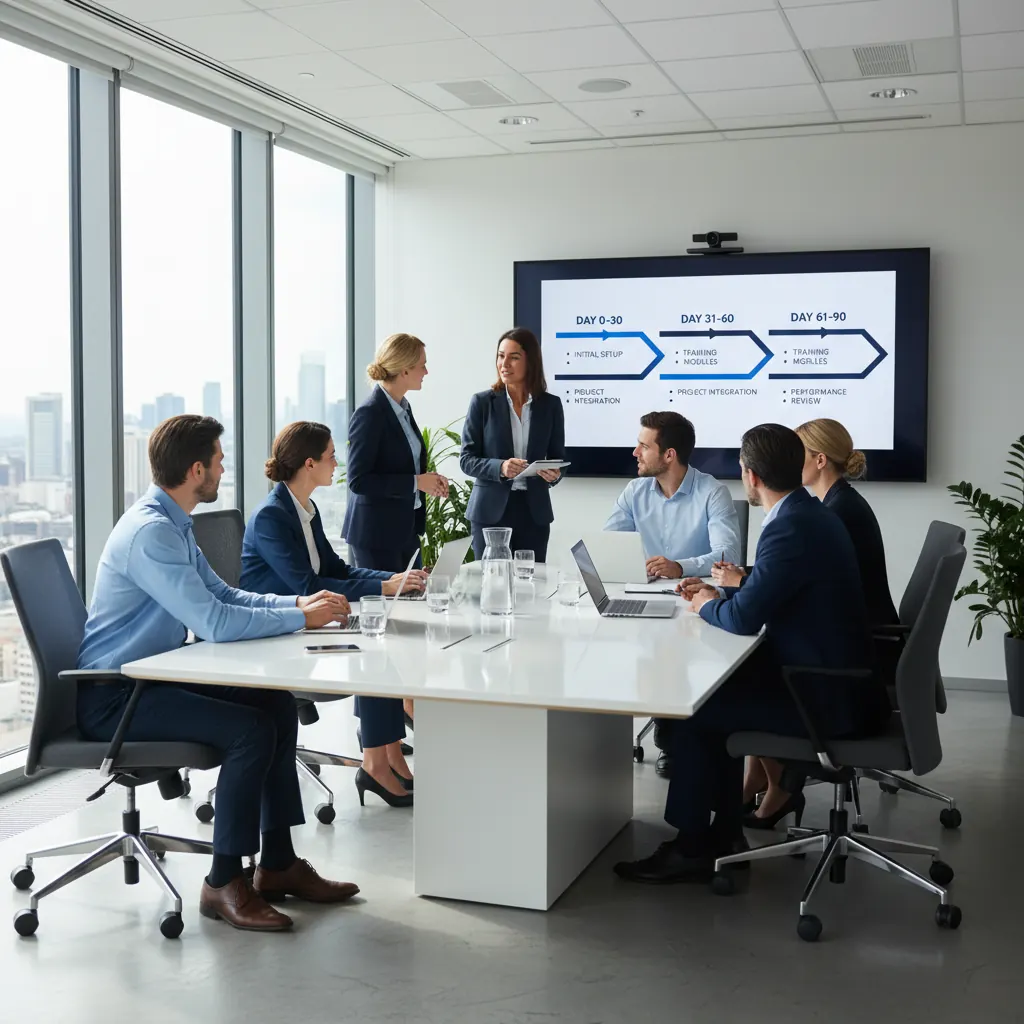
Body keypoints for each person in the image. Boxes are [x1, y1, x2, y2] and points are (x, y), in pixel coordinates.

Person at [77, 415, 358, 932]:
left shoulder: (172, 524)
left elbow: (224, 595)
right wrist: (301, 619)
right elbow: (214, 623)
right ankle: (223, 882)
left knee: (273, 703)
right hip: (116, 697)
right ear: (196, 469)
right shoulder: (151, 534)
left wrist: (297, 604)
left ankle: (277, 863)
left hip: (153, 677)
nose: (224, 469)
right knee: (249, 730)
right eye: (219, 461)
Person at [614, 424, 890, 885]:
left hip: (826, 698)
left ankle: (692, 846)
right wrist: (718, 593)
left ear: (751, 476)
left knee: (696, 711)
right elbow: (768, 590)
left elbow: (744, 618)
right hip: (833, 680)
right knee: (713, 699)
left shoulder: (790, 525)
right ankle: (723, 835)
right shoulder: (805, 512)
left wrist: (706, 605)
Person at [241, 421, 429, 807]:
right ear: (309, 463)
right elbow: (308, 585)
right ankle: (375, 765)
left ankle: (389, 755)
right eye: (330, 456)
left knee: (382, 638)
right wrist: (384, 587)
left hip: (310, 623)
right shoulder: (271, 517)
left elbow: (338, 571)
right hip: (278, 635)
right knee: (373, 651)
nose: (337, 463)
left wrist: (391, 579)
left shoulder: (305, 510)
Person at [735, 418, 901, 825]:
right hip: (851, 644)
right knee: (755, 668)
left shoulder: (836, 511)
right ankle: (762, 780)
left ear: (820, 460)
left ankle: (777, 786)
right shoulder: (831, 506)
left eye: (800, 454)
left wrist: (745, 584)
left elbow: (802, 577)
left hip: (849, 660)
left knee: (743, 681)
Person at [605, 411, 741, 777]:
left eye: (643, 446)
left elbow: (727, 555)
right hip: (645, 599)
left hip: (693, 603)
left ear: (669, 455)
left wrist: (680, 566)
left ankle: (671, 740)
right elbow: (609, 542)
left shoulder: (712, 492)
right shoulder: (635, 491)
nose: (635, 452)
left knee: (670, 648)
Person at [341, 333, 448, 745]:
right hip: (375, 537)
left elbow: (404, 467)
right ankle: (373, 734)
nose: (426, 371)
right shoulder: (370, 413)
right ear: (403, 369)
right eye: (421, 364)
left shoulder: (402, 408)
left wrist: (425, 482)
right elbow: (359, 480)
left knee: (400, 632)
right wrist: (414, 482)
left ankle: (391, 722)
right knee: (380, 636)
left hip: (403, 530)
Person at [460, 327, 565, 562]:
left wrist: (554, 474)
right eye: (500, 356)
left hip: (534, 513)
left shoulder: (551, 406)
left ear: (531, 361)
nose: (504, 364)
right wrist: (501, 467)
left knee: (532, 580)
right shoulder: (482, 402)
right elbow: (466, 459)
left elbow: (558, 457)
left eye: (513, 357)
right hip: (490, 513)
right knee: (492, 580)